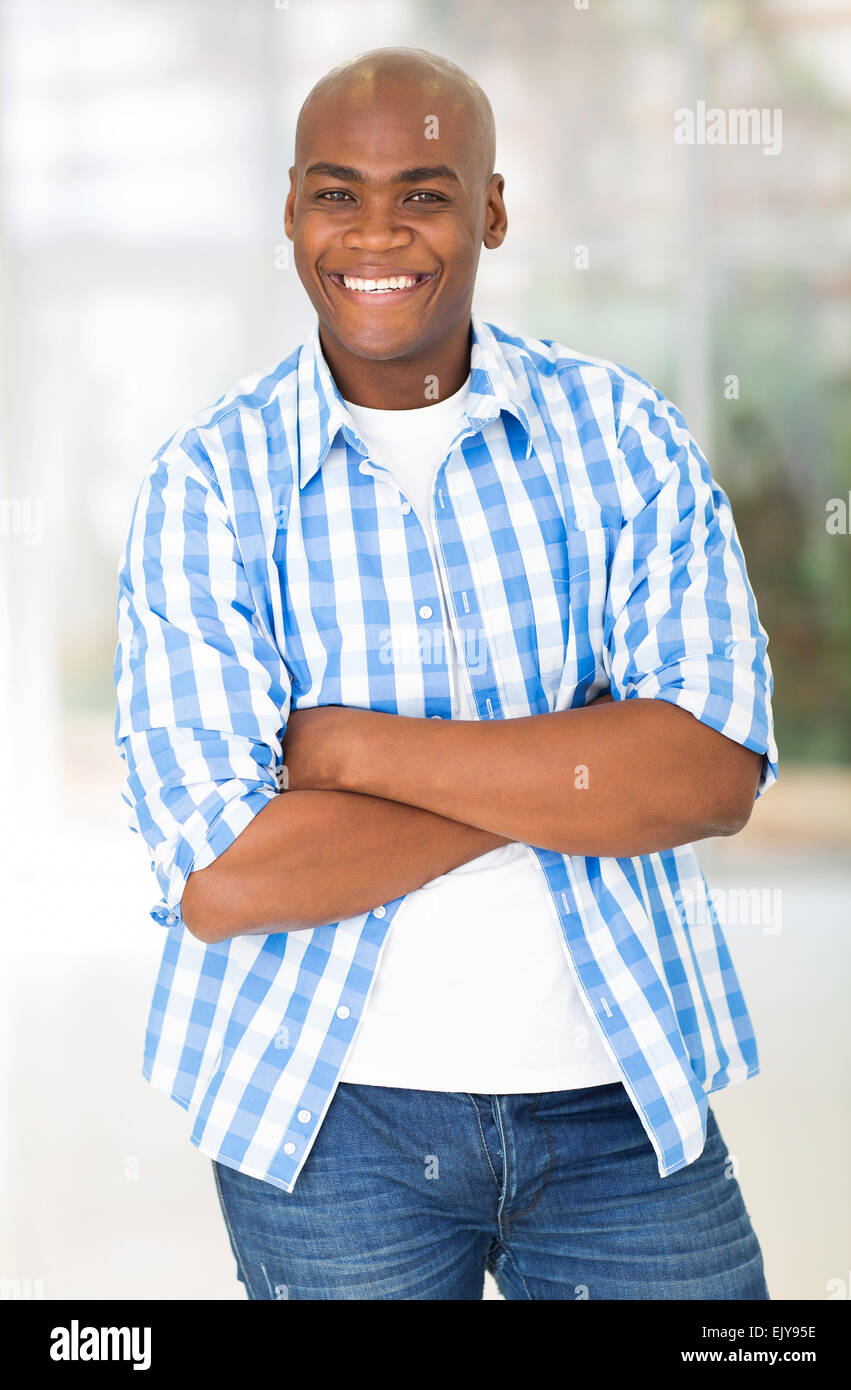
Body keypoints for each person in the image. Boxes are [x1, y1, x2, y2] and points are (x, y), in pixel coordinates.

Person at [114, 47, 778, 1301]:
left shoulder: (623, 437)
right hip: (323, 1126)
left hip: (618, 1106)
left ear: (491, 209)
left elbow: (704, 769)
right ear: (290, 208)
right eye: (334, 192)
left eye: (422, 192)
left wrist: (347, 749)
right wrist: (570, 765)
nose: (374, 231)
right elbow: (221, 878)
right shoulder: (206, 486)